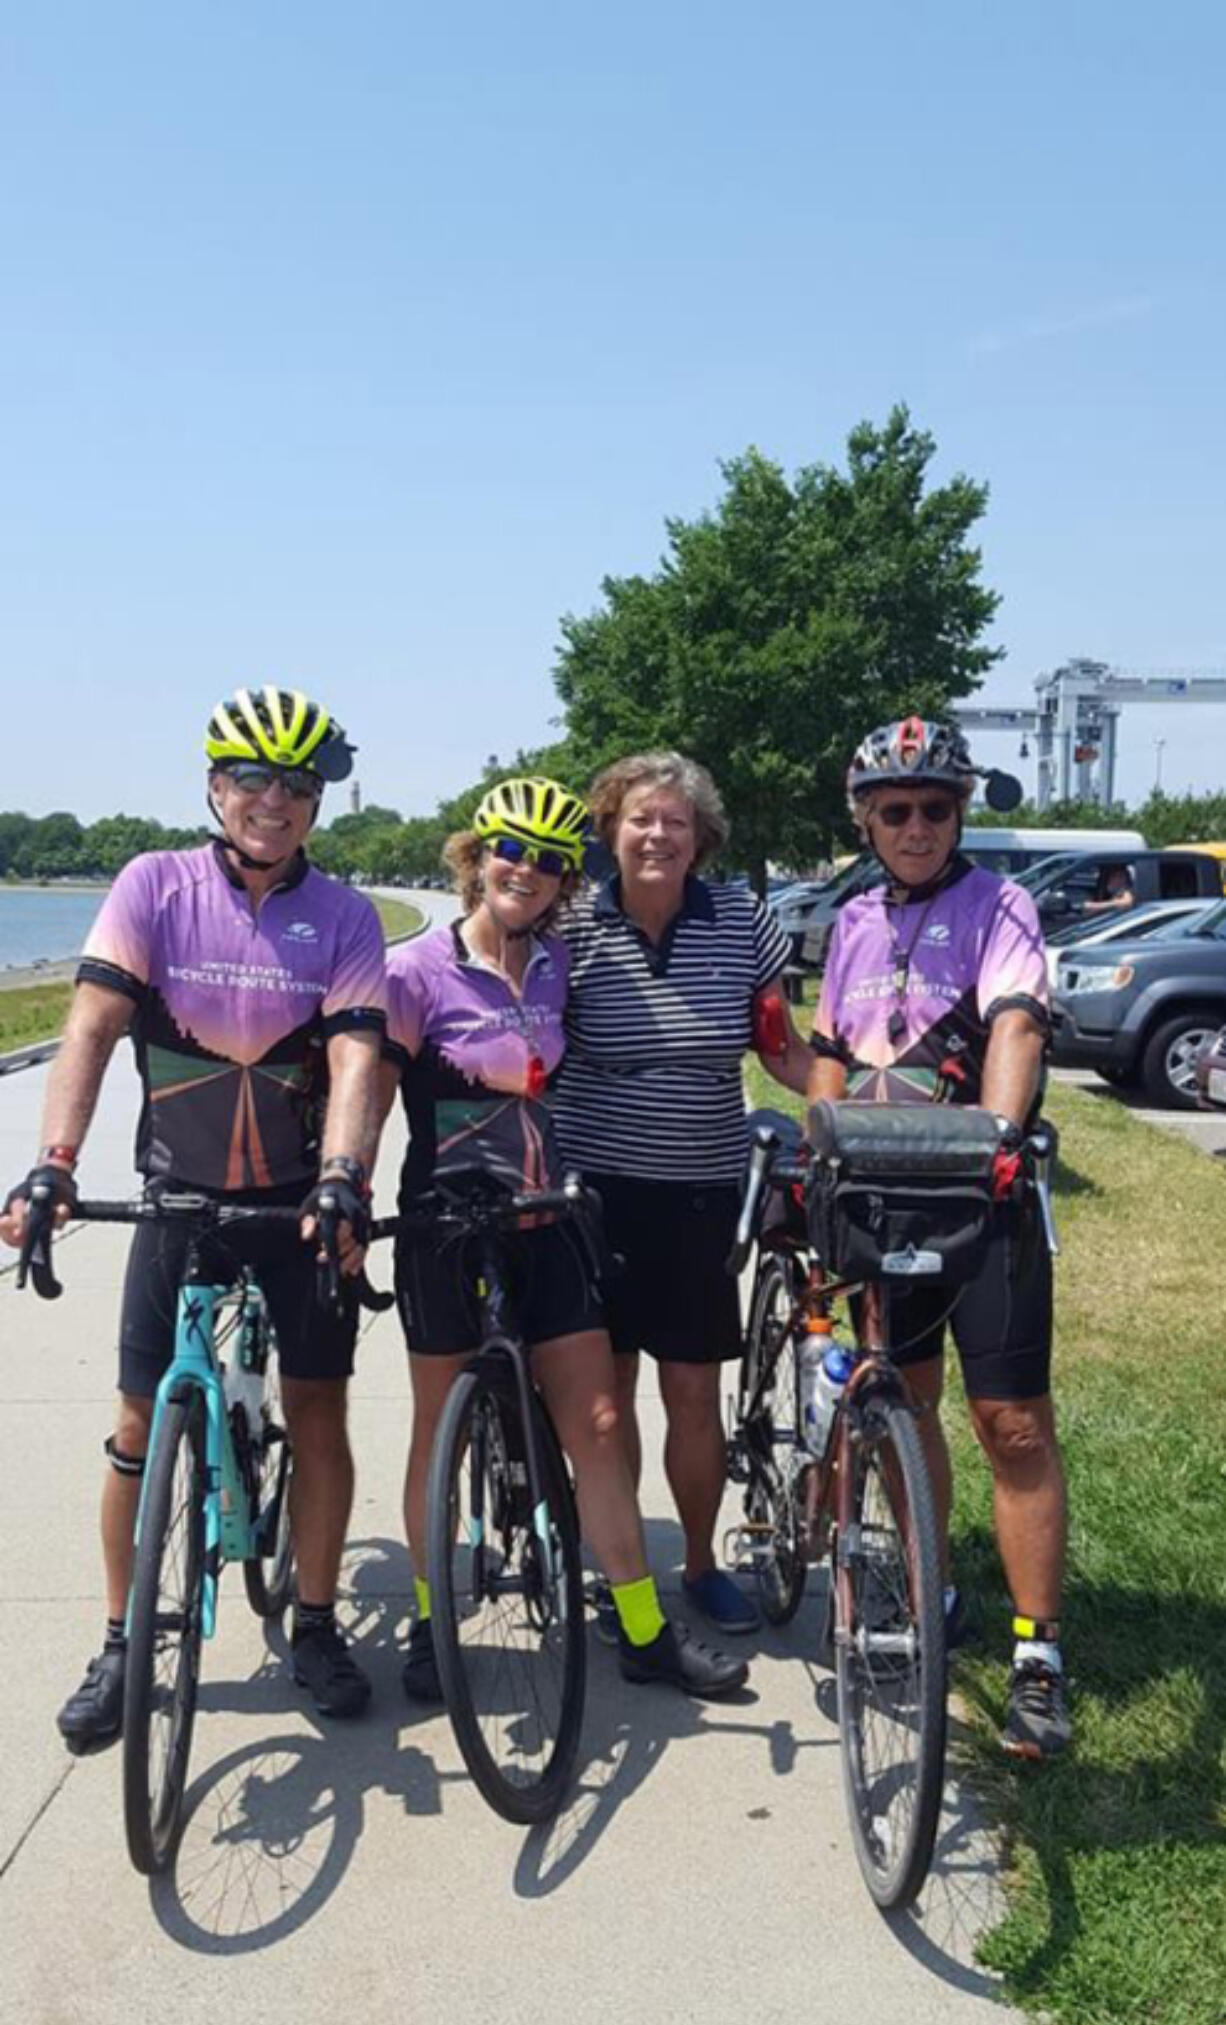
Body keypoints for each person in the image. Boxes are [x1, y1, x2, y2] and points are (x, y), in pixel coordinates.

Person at [0, 688, 387, 1743]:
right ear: (215, 788)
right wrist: (53, 1164)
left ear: (316, 803)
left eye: (296, 785)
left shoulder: (345, 915)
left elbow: (356, 1052)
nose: (272, 800)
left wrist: (344, 1173)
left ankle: (313, 1622)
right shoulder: (153, 886)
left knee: (316, 1411)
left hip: (299, 1202)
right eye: (251, 780)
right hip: (178, 1193)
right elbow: (87, 1026)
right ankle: (124, 1639)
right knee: (135, 1425)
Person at [375, 775, 747, 1703]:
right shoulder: (417, 969)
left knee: (601, 1421)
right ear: (476, 856)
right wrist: (339, 1188)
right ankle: (431, 1624)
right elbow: (372, 1096)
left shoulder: (556, 966)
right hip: (445, 1229)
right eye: (512, 851)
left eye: (551, 861)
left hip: (546, 1221)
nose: (529, 871)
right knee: (438, 1428)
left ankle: (643, 1629)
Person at [808, 714, 1071, 1759]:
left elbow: (1014, 1021)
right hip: (876, 1197)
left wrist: (997, 1141)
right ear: (866, 820)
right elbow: (830, 1050)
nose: (914, 826)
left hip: (978, 1199)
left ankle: (1037, 1655)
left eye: (933, 808)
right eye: (893, 810)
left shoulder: (997, 903)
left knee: (1009, 1423)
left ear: (958, 814)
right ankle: (929, 1600)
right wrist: (814, 1149)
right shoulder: (852, 922)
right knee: (905, 1406)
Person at [549, 751, 813, 1637]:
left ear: (701, 840)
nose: (658, 834)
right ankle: (623, 1568)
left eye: (676, 822)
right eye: (640, 818)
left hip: (700, 1188)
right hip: (591, 1193)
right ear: (610, 830)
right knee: (605, 1395)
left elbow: (781, 1048)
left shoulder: (743, 920)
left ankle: (699, 1563)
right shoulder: (571, 923)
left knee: (694, 1390)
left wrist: (855, 1117)